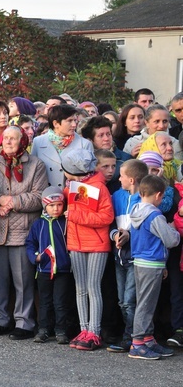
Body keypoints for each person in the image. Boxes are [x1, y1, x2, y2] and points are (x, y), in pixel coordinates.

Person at [0, 126, 48, 340]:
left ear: (23, 142)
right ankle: (0, 320)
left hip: (23, 230)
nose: (8, 142)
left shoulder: (36, 165)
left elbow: (40, 196)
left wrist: (13, 202)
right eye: (5, 138)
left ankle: (25, 322)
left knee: (24, 281)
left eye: (13, 138)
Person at [61, 149, 114, 351]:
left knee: (93, 287)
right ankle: (84, 329)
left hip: (96, 244)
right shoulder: (73, 187)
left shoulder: (99, 187)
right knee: (80, 288)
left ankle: (94, 331)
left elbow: (106, 218)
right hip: (76, 242)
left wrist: (74, 216)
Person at [128, 175, 181, 359]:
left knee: (146, 302)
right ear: (159, 195)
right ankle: (137, 343)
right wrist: (174, 230)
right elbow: (170, 240)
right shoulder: (155, 215)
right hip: (152, 263)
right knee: (146, 304)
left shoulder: (135, 210)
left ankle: (148, 339)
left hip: (141, 262)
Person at [108, 159, 148, 353]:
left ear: (131, 180)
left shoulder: (144, 199)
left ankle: (131, 338)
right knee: (122, 301)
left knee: (129, 301)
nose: (119, 178)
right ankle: (130, 335)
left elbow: (148, 229)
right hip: (119, 257)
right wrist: (115, 235)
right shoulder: (116, 196)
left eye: (122, 175)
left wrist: (130, 235)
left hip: (136, 258)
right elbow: (110, 223)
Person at [26, 187, 71, 344]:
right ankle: (43, 329)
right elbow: (30, 243)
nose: (56, 208)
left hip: (63, 270)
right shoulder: (38, 224)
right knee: (45, 302)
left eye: (59, 205)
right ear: (45, 206)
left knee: (60, 302)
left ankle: (61, 330)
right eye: (51, 205)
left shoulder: (65, 223)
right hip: (44, 269)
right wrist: (34, 257)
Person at [31, 104, 94, 190]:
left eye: (75, 120)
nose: (74, 125)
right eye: (69, 121)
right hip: (47, 197)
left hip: (73, 196)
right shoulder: (38, 142)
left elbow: (89, 177)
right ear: (56, 123)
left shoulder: (84, 144)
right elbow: (33, 172)